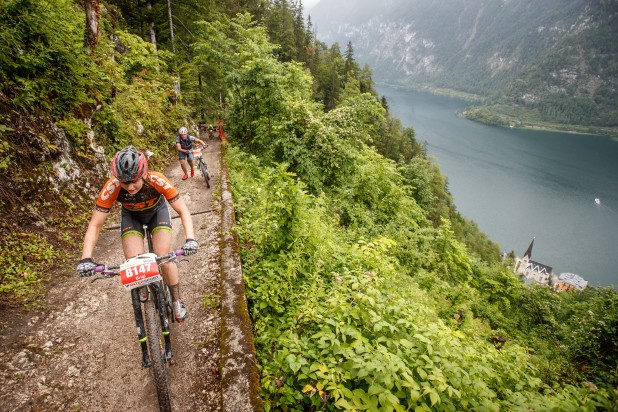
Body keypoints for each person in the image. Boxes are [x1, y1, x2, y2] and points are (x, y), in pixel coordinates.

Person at [76, 145, 197, 321]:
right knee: (134, 262)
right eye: (125, 182)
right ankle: (142, 286)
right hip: (132, 217)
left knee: (164, 257)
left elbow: (183, 210)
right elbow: (95, 225)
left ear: (143, 174)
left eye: (134, 181)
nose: (130, 187)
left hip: (157, 213)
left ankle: (177, 300)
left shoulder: (157, 180)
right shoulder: (112, 186)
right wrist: (85, 259)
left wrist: (190, 239)